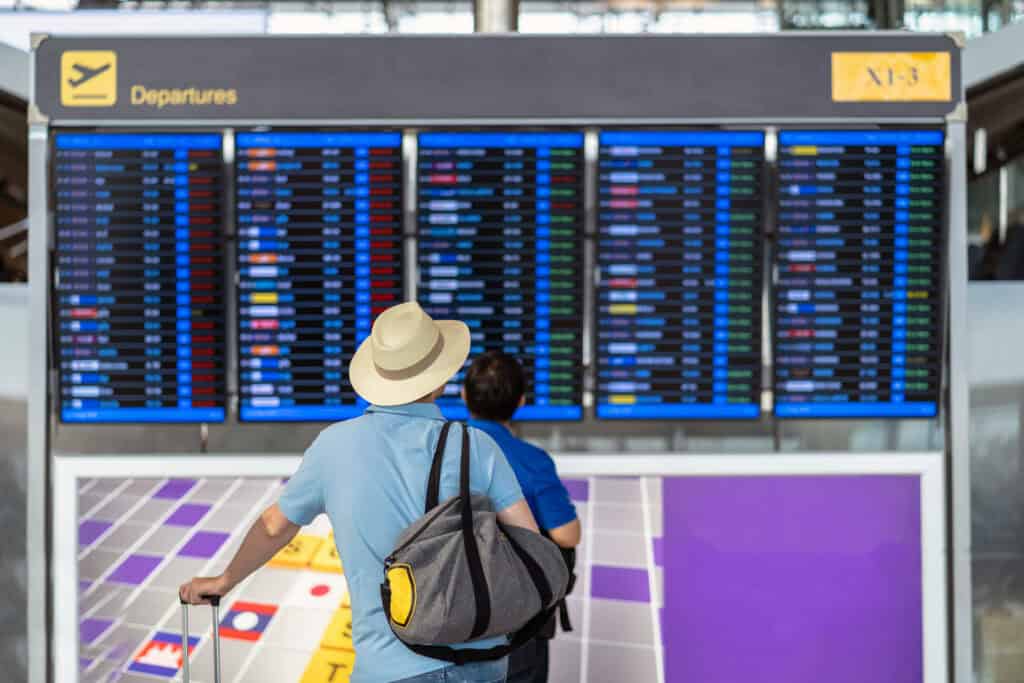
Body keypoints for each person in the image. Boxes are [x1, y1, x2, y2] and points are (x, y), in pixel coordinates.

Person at [181, 302, 540, 683]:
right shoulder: (477, 446)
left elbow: (274, 526)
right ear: (441, 379)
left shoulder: (333, 446)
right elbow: (528, 542)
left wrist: (224, 581)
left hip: (390, 669)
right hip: (482, 663)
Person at [461, 351, 581, 683]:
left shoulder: (440, 451)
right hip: (517, 622)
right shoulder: (532, 460)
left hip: (449, 613)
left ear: (464, 395)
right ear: (521, 401)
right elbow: (566, 535)